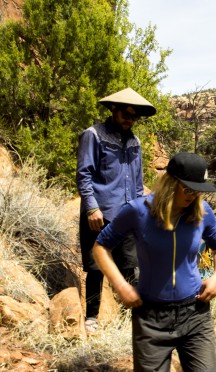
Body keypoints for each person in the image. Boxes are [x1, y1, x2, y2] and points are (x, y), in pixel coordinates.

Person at [92, 152, 216, 372]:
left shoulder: (202, 211)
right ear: (170, 183)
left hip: (194, 313)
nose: (193, 196)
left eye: (198, 191)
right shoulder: (137, 211)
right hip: (151, 317)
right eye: (188, 189)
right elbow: (101, 246)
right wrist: (120, 285)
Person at [76, 87, 156, 333]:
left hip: (128, 215)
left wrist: (141, 212)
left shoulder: (135, 141)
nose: (130, 119)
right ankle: (92, 319)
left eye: (134, 116)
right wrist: (91, 208)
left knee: (130, 266)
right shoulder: (94, 135)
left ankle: (131, 319)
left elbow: (138, 181)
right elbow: (83, 174)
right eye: (126, 114)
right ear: (114, 109)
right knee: (95, 268)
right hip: (99, 215)